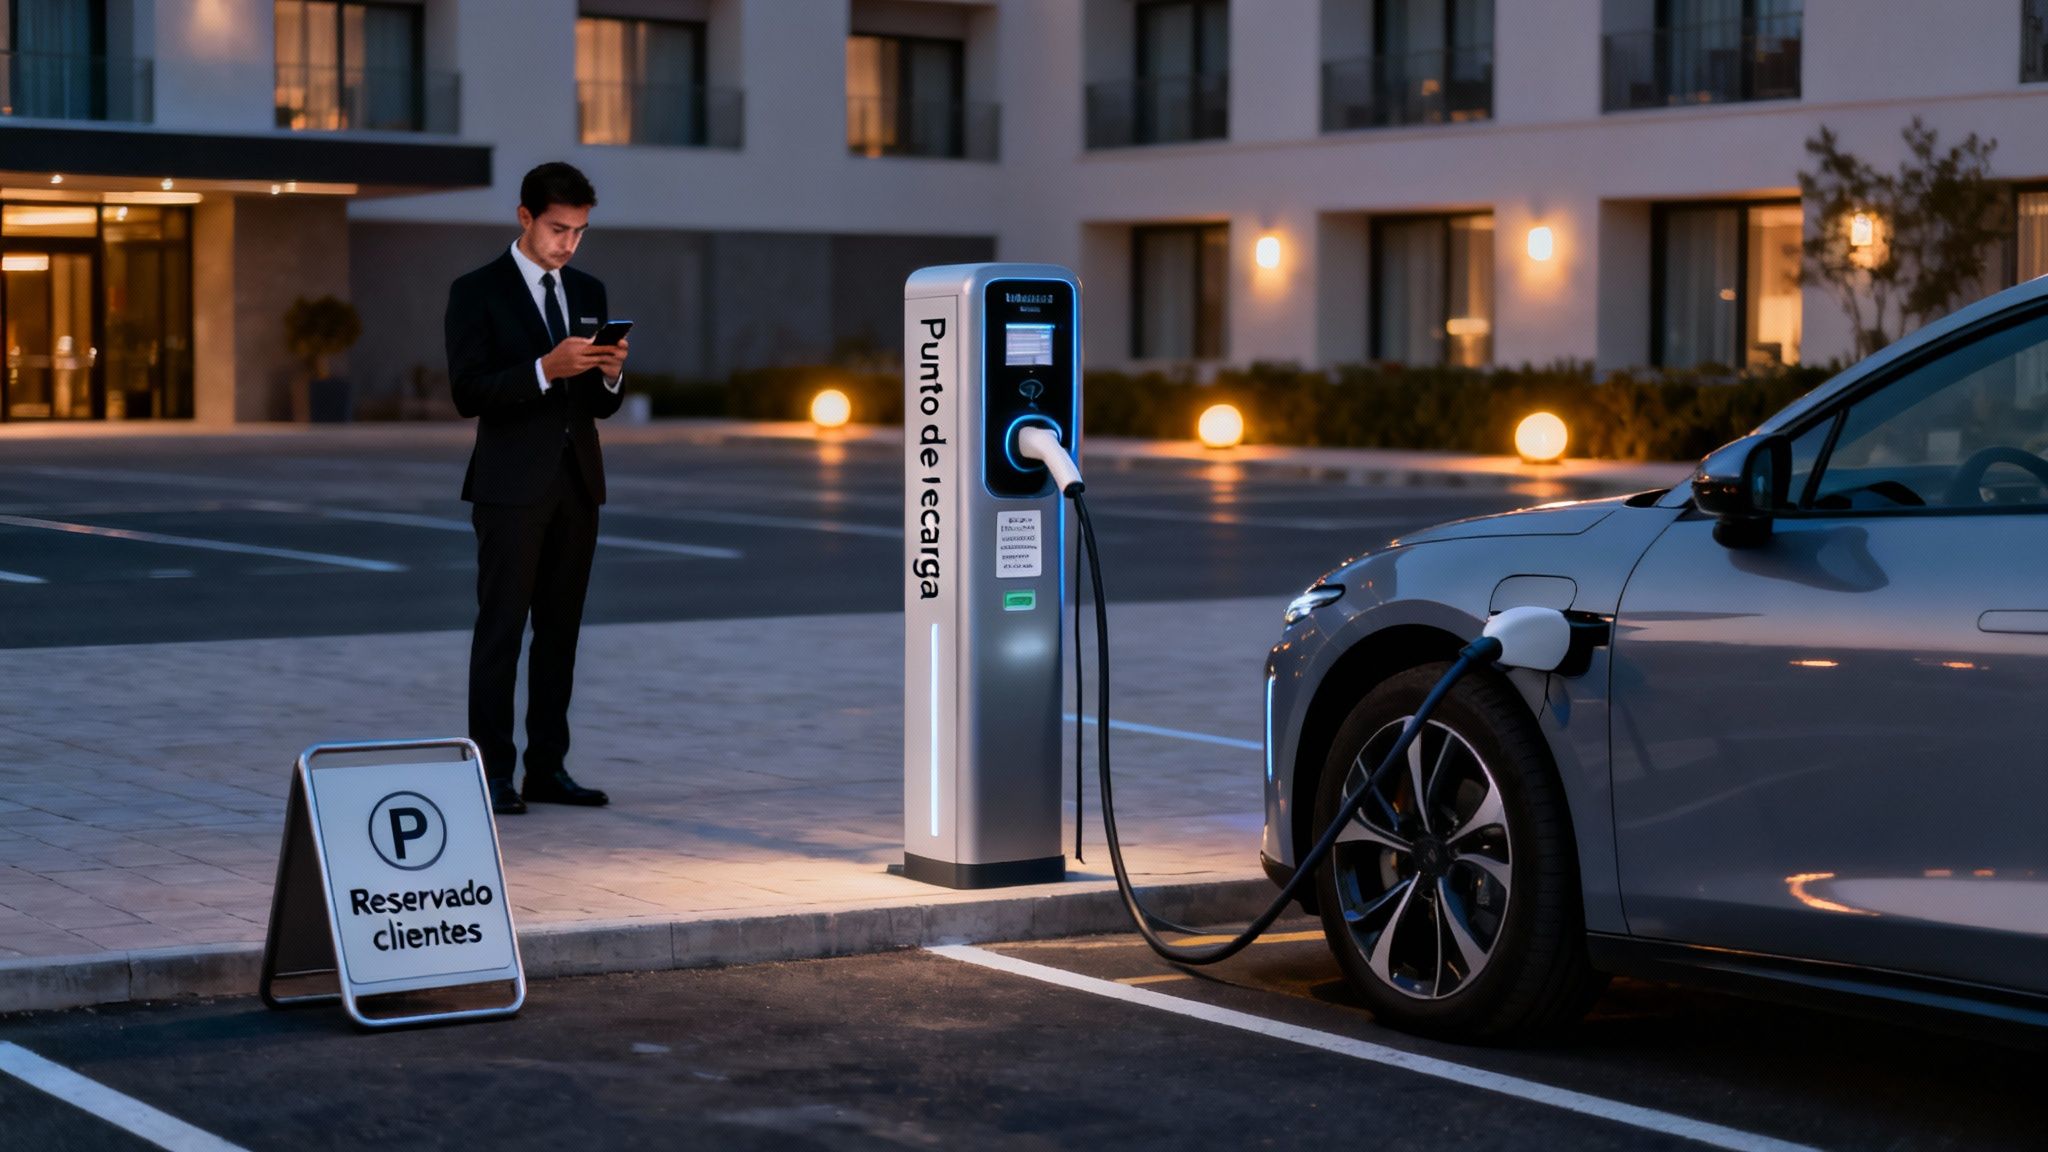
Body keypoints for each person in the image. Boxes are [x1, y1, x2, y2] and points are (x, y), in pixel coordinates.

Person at [446, 161, 627, 815]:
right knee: (501, 630)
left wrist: (609, 375)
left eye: (579, 231)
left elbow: (600, 408)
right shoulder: (477, 291)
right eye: (558, 229)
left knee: (560, 633)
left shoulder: (588, 289)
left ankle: (548, 768)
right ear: (525, 218)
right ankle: (491, 773)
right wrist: (543, 369)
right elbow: (468, 392)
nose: (568, 244)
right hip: (508, 487)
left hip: (578, 485)